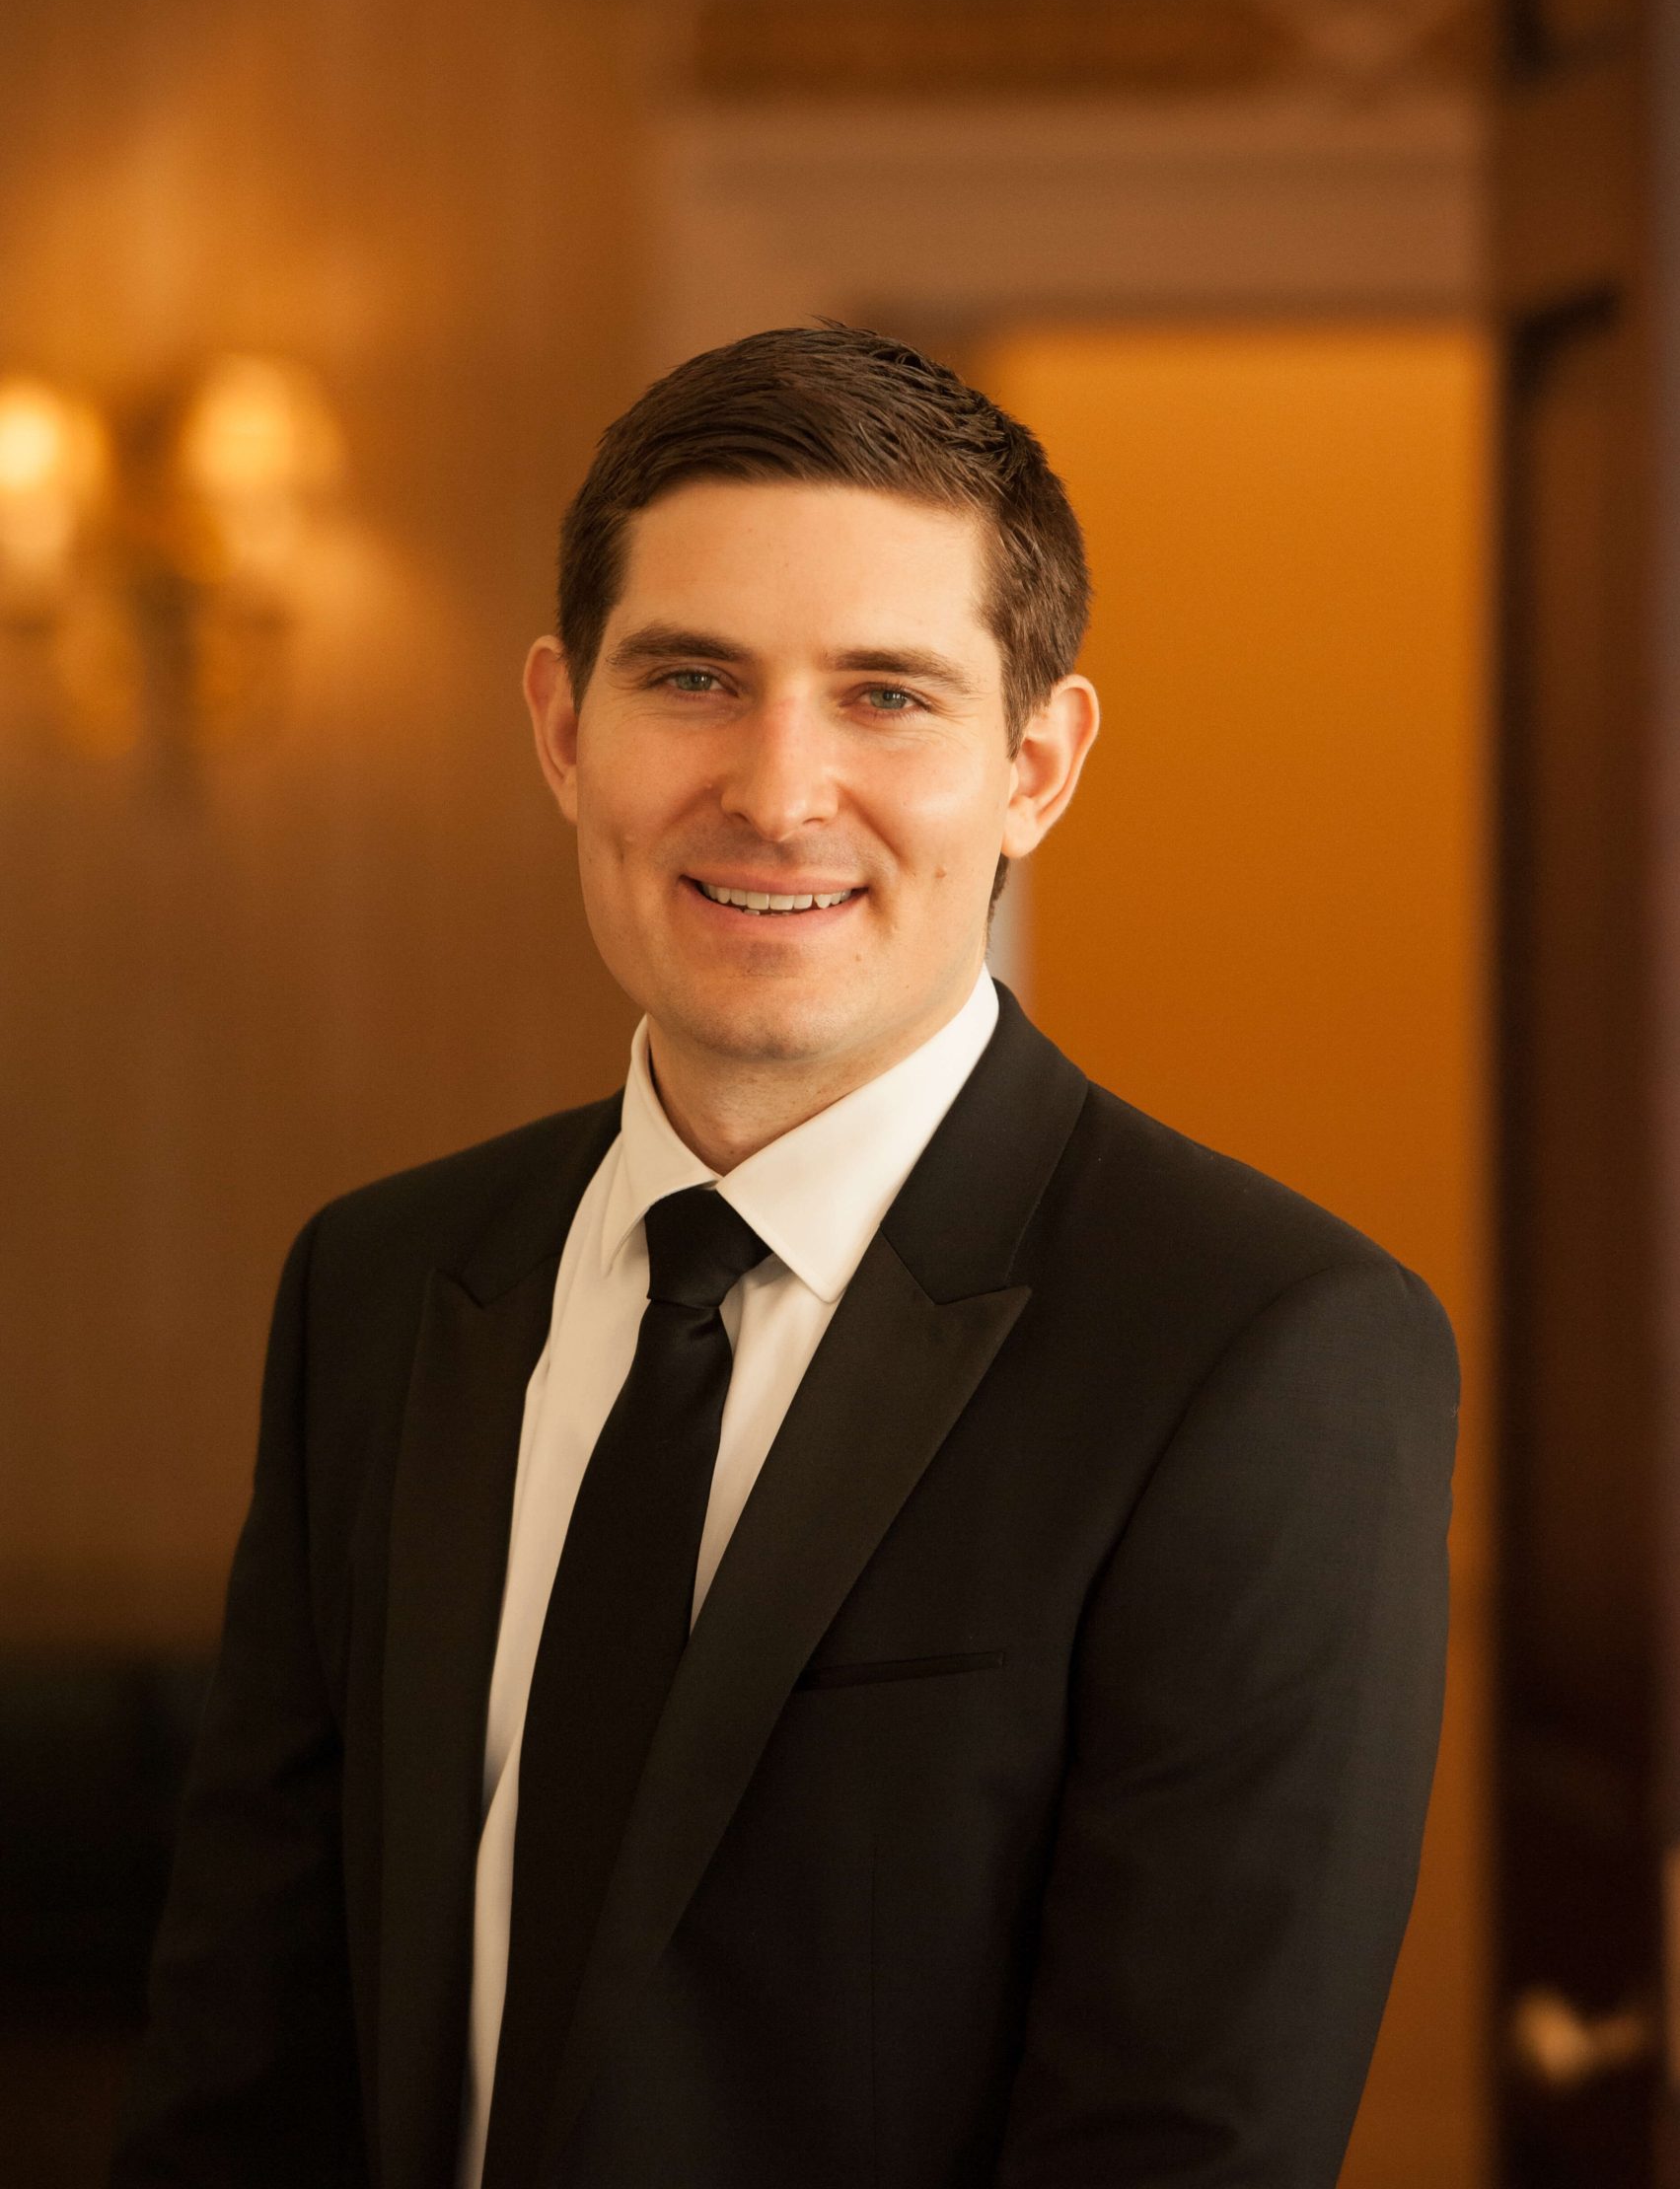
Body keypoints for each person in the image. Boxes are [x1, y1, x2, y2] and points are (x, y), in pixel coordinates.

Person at [110, 323, 1458, 2189]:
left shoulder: (1266, 1351)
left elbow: (1181, 2147)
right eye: (693, 678)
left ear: (1036, 765)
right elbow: (239, 2078)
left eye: (888, 695)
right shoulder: (378, 1286)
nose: (776, 788)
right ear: (563, 728)